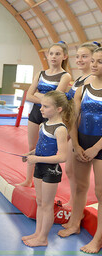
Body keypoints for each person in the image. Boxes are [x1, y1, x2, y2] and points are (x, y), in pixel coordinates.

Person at [58, 47, 102, 254]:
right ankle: (75, 223)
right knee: (80, 186)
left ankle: (97, 238)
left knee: (100, 192)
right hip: (82, 141)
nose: (93, 64)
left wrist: (95, 148)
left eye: (99, 62)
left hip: (100, 145)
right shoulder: (83, 87)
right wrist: (75, 143)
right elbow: (74, 118)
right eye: (93, 60)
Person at [21, 90, 74, 247]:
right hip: (39, 168)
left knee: (47, 204)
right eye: (41, 106)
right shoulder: (44, 125)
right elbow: (40, 147)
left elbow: (62, 157)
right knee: (40, 202)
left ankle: (43, 238)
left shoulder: (60, 129)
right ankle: (37, 233)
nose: (41, 109)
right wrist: (30, 153)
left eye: (45, 106)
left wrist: (36, 158)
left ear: (59, 109)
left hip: (51, 171)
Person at [18, 41, 72, 187]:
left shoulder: (65, 76)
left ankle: (43, 178)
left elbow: (56, 99)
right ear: (47, 56)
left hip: (52, 116)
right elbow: (28, 95)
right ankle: (29, 179)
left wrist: (39, 94)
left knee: (46, 148)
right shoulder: (40, 74)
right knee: (31, 147)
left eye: (58, 54)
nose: (53, 56)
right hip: (36, 113)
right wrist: (45, 97)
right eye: (51, 53)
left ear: (65, 56)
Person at [62, 42, 99, 209]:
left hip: (82, 130)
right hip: (74, 129)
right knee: (70, 170)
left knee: (75, 172)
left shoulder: (91, 79)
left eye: (85, 56)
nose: (79, 60)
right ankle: (74, 201)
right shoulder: (79, 78)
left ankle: (75, 202)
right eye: (77, 56)